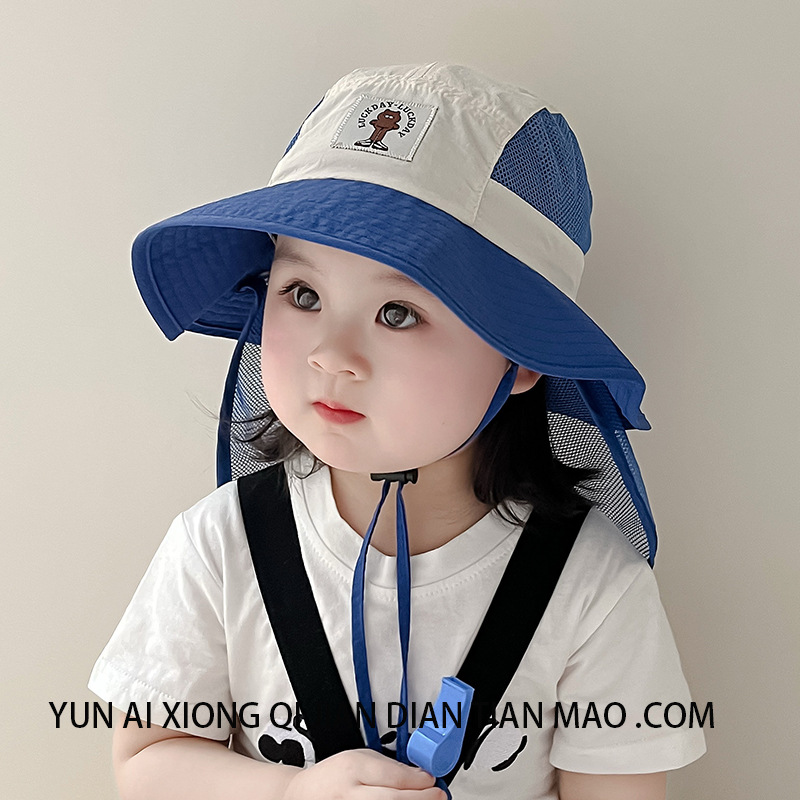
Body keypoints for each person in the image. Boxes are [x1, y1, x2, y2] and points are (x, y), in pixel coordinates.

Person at [89, 63, 706, 799]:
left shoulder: (592, 585)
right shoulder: (221, 545)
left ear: (521, 358)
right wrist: (292, 793)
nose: (332, 355)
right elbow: (148, 760)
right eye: (303, 293)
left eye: (398, 313)